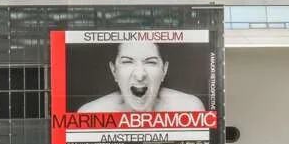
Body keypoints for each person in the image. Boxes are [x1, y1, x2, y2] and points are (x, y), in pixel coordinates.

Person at [77, 39, 205, 113]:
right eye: (127, 62)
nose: (139, 75)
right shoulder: (90, 113)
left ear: (164, 70)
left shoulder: (189, 108)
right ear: (114, 71)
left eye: (150, 62)